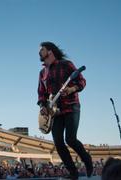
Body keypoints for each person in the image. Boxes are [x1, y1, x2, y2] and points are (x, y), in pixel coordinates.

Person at [37, 41, 93, 179]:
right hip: (55, 112)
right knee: (58, 142)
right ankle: (73, 173)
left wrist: (71, 89)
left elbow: (81, 81)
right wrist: (43, 106)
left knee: (70, 139)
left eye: (42, 49)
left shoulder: (66, 64)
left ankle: (87, 160)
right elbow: (41, 93)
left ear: (50, 51)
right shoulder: (42, 72)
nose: (39, 52)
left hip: (71, 106)